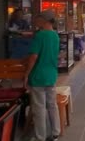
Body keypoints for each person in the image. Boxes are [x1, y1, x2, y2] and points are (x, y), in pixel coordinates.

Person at [24, 11, 61, 141]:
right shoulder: (55, 36)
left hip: (38, 76)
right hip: (51, 75)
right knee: (52, 104)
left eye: (38, 19)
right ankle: (56, 133)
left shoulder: (40, 36)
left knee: (39, 107)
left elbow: (34, 56)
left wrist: (27, 74)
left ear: (44, 21)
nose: (36, 22)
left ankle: (41, 136)